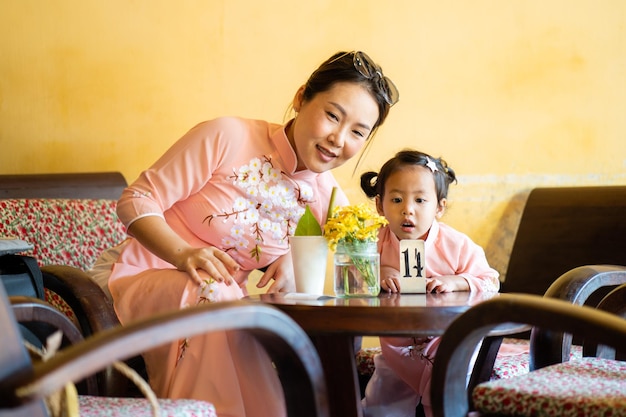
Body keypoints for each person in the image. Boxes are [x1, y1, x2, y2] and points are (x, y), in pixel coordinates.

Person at [104, 51, 398, 417]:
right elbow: (136, 200)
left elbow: (327, 279)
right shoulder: (226, 135)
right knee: (213, 290)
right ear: (301, 97)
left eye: (357, 132)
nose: (338, 139)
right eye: (332, 115)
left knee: (233, 306)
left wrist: (292, 263)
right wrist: (183, 254)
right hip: (141, 277)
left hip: (225, 303)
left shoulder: (327, 199)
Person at [359, 149, 501, 417]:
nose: (407, 209)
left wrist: (457, 281)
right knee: (381, 405)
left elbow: (491, 280)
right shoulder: (374, 243)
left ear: (439, 207)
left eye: (420, 200)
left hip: (447, 342)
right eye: (397, 199)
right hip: (396, 344)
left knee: (442, 398)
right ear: (380, 205)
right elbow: (353, 277)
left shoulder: (455, 245)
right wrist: (379, 271)